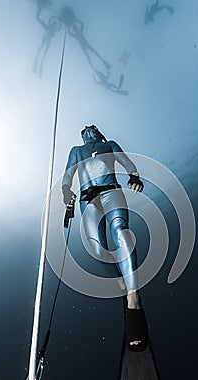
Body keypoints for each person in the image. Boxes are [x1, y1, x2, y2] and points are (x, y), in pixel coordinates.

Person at [62, 125, 147, 350]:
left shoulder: (109, 145)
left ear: (99, 132)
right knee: (95, 248)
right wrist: (65, 192)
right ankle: (121, 281)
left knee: (121, 231)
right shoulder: (76, 151)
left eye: (92, 128)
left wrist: (134, 176)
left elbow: (126, 161)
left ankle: (133, 297)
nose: (88, 130)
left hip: (112, 192)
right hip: (86, 200)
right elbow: (68, 174)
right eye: (85, 130)